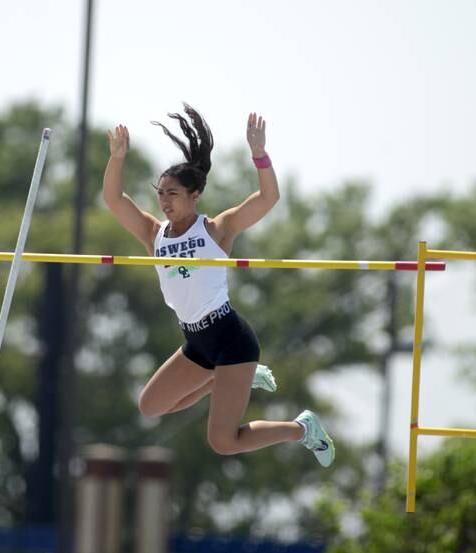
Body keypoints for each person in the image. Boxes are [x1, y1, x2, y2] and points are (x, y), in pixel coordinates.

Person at [102, 104, 334, 467]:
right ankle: (235, 380)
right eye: (161, 193)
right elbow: (115, 200)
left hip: (229, 339)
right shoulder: (153, 234)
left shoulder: (215, 229)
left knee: (224, 442)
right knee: (151, 406)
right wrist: (117, 158)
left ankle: (303, 429)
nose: (164, 201)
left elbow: (268, 199)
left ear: (194, 196)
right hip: (196, 341)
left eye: (173, 193)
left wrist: (259, 155)